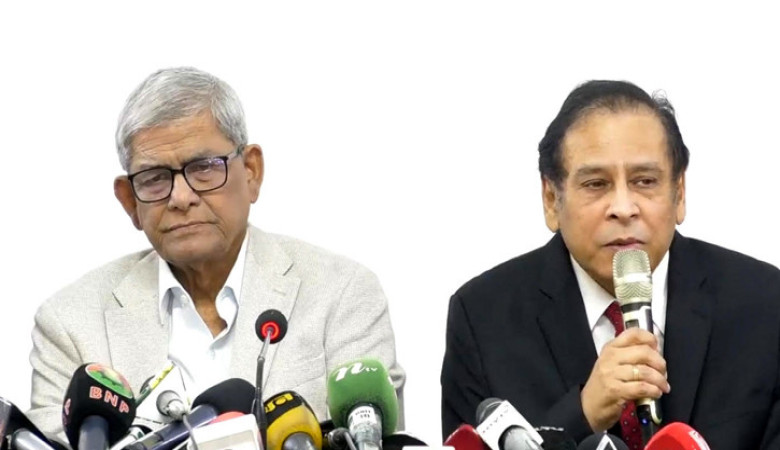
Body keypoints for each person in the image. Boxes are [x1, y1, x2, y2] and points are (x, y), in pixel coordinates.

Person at [28, 67, 404, 442]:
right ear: (130, 201)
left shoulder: (343, 295)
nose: (180, 198)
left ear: (251, 172)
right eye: (154, 178)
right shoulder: (70, 324)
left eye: (204, 168)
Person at [440, 80, 780, 449]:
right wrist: (581, 414)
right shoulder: (482, 319)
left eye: (644, 181)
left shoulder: (764, 304)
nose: (623, 208)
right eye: (596, 184)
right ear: (551, 199)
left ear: (679, 193)